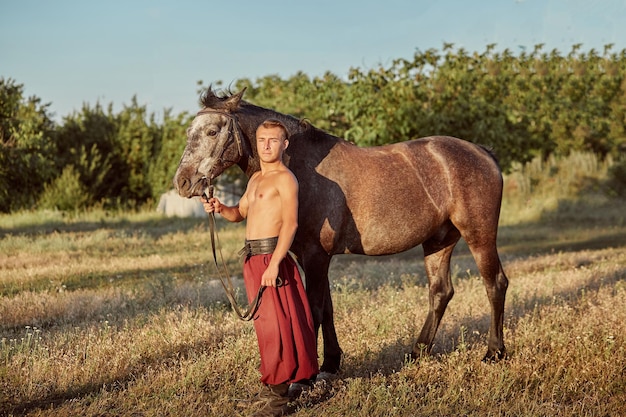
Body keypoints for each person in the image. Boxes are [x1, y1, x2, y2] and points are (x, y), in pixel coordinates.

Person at [202, 119, 319, 416]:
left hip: (271, 258)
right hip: (252, 259)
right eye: (262, 140)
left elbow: (291, 224)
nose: (267, 145)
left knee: (277, 327)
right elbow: (239, 213)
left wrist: (277, 262)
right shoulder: (254, 179)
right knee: (265, 326)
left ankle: (279, 400)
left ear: (284, 145)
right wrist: (220, 208)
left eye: (273, 140)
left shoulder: (285, 179)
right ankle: (277, 386)